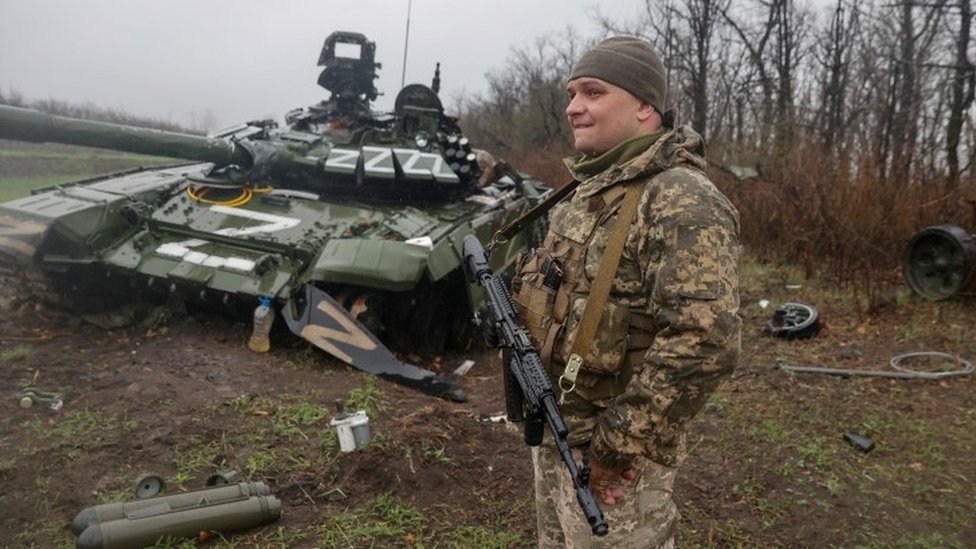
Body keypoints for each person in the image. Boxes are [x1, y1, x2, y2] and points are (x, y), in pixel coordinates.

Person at [511, 36, 741, 548]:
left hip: (613, 459)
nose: (573, 108)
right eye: (571, 94)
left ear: (644, 107)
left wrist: (617, 448)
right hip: (555, 432)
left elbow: (706, 340)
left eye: (592, 93)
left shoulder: (678, 197)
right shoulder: (587, 192)